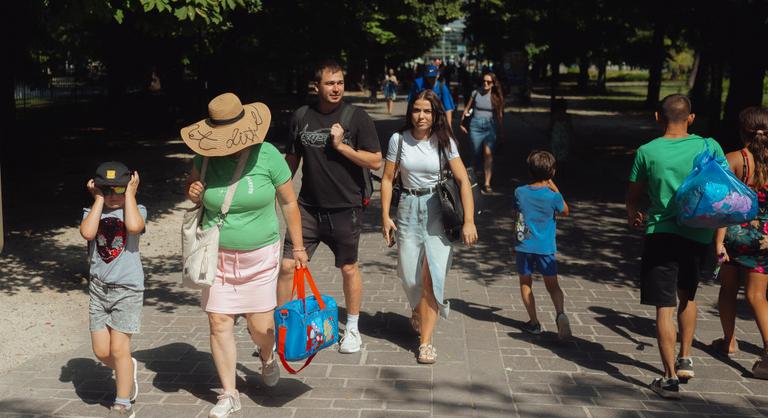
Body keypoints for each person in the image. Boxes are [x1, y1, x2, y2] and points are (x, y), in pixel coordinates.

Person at [182, 92, 308, 418]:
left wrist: (297, 247)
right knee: (218, 321)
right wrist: (193, 192)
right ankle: (228, 393)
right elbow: (194, 190)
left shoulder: (267, 156)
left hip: (261, 256)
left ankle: (267, 356)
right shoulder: (204, 158)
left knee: (262, 327)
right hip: (218, 256)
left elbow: (289, 203)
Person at [278, 59, 382, 355]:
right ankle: (282, 327)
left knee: (348, 268)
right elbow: (291, 161)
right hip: (307, 208)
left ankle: (351, 327)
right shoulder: (301, 116)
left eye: (339, 83)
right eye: (329, 83)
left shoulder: (356, 117)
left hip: (345, 208)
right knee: (287, 266)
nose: (336, 88)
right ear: (317, 86)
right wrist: (274, 186)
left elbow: (376, 160)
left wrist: (341, 147)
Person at [626, 94, 725, 399]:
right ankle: (685, 358)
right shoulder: (709, 146)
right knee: (688, 295)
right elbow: (722, 189)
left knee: (664, 306)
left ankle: (668, 378)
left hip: (661, 233)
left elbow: (634, 193)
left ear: (658, 117)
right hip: (698, 234)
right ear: (691, 118)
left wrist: (634, 212)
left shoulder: (647, 151)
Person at [380, 89, 478, 364]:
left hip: (438, 209)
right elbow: (388, 179)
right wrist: (385, 216)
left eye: (427, 111)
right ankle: (417, 310)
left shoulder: (444, 141)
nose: (421, 116)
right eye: (416, 110)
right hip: (408, 209)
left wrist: (469, 221)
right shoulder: (398, 140)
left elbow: (462, 182)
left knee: (432, 276)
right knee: (410, 276)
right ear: (409, 112)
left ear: (435, 115)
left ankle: (426, 342)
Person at [80, 161, 145, 417]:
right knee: (101, 351)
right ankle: (126, 367)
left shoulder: (137, 209)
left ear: (128, 187)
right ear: (97, 189)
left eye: (119, 189)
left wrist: (130, 195)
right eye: (106, 190)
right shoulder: (91, 210)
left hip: (127, 290)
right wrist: (97, 201)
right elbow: (87, 233)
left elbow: (134, 227)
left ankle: (123, 398)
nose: (113, 196)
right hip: (98, 289)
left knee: (118, 348)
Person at [715, 106, 768, 378]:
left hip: (736, 236)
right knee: (757, 296)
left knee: (728, 289)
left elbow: (726, 206)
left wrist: (718, 241)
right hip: (766, 238)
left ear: (741, 131)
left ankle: (729, 342)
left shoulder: (735, 159)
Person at [513, 150, 571, 340]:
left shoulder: (520, 192)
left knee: (525, 283)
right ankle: (560, 314)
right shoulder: (553, 197)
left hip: (524, 245)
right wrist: (555, 189)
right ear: (552, 172)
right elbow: (565, 211)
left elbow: (517, 214)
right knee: (553, 286)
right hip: (546, 248)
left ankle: (534, 322)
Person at [459, 72, 504, 194]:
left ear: (493, 84)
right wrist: (462, 123)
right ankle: (471, 178)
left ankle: (487, 183)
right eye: (484, 81)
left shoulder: (496, 97)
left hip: (490, 126)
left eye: (488, 82)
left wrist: (501, 131)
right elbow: (467, 108)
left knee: (488, 154)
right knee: (475, 152)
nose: (485, 83)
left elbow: (499, 115)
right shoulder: (475, 93)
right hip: (475, 125)